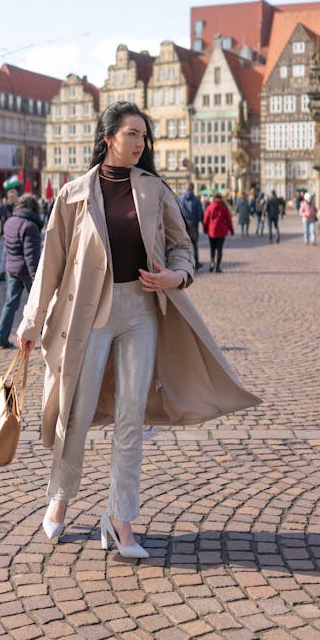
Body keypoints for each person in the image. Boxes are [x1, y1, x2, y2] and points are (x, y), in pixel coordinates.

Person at [15, 102, 258, 558]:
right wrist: (31, 322)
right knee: (76, 411)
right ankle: (60, 499)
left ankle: (120, 519)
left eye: (144, 136)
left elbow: (183, 247)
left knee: (131, 417)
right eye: (133, 134)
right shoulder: (71, 195)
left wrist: (176, 277)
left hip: (141, 311)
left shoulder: (155, 190)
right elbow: (50, 265)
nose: (141, 143)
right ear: (108, 138)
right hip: (88, 315)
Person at [0, 194, 42, 348]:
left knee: (10, 304)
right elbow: (31, 255)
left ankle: (1, 336)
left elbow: (8, 247)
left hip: (12, 269)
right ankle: (47, 336)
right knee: (39, 305)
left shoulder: (10, 221)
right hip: (27, 272)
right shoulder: (30, 226)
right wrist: (35, 276)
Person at [202, 192, 234, 272]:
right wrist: (231, 230)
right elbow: (229, 221)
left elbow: (205, 220)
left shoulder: (209, 208)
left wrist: (205, 229)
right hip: (221, 231)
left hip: (211, 231)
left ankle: (212, 262)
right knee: (219, 249)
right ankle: (218, 267)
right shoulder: (224, 208)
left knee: (212, 248)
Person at [0, 189, 19, 282]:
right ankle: (2, 272)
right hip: (8, 235)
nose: (11, 199)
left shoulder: (19, 208)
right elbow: (3, 222)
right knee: (5, 254)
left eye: (13, 197)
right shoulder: (5, 207)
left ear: (16, 197)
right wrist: (2, 233)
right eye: (10, 197)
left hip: (18, 235)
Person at [177, 182, 204, 269]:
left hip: (182, 225)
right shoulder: (196, 200)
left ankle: (184, 263)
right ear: (193, 189)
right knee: (194, 244)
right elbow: (200, 215)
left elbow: (176, 212)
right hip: (193, 225)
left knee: (183, 245)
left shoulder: (180, 199)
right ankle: (196, 263)